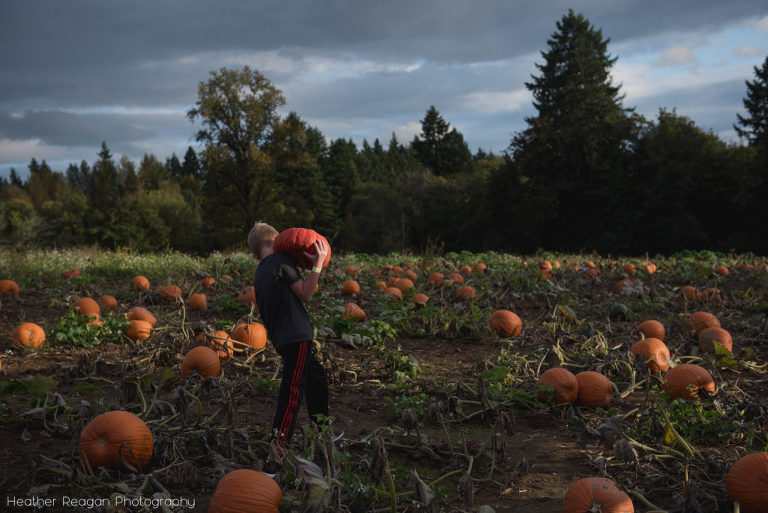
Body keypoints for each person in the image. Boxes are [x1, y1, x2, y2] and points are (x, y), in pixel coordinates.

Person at [247, 222, 337, 471]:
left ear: (255, 253)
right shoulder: (280, 263)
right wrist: (317, 263)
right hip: (296, 337)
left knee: (316, 376)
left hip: (286, 338)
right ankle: (274, 458)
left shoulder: (262, 270)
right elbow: (307, 294)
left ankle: (323, 429)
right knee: (292, 395)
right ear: (279, 243)